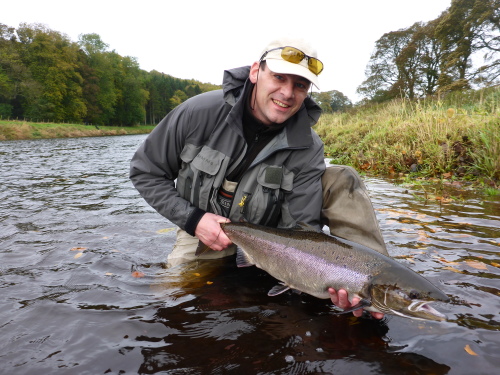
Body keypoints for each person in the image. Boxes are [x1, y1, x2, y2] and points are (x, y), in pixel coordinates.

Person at [130, 37, 384, 319]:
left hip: (271, 241)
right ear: (255, 72)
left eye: (300, 85)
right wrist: (194, 220)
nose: (287, 93)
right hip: (202, 228)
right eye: (278, 77)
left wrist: (332, 280)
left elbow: (300, 228)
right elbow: (146, 171)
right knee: (169, 300)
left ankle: (374, 282)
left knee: (342, 177)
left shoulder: (309, 147)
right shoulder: (197, 113)